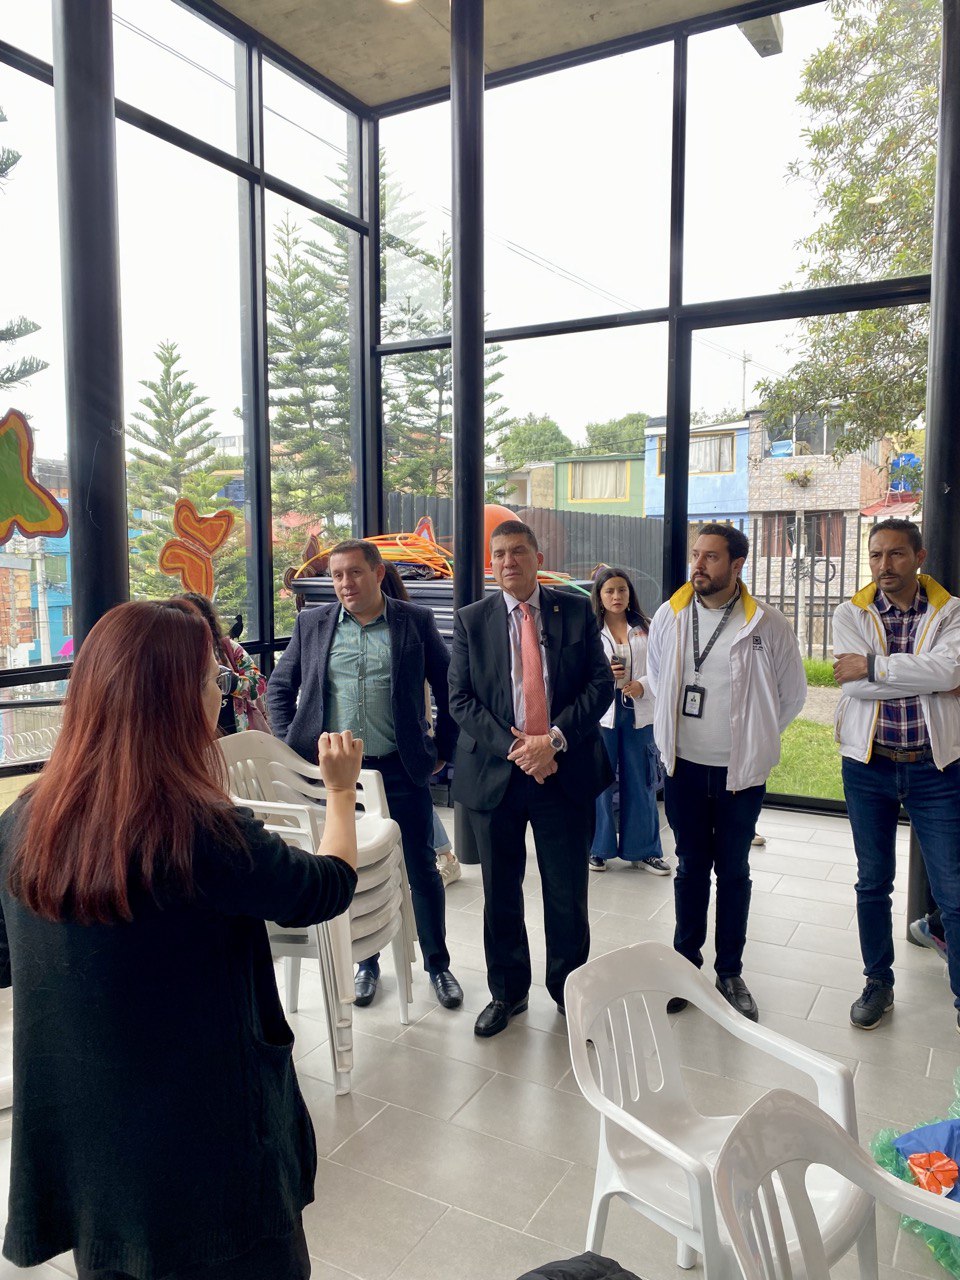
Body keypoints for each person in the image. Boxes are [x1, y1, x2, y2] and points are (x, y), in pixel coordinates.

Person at [0, 599, 361, 1280]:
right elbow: (325, 887)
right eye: (208, 682)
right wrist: (339, 793)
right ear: (171, 700)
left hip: (95, 1167)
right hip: (210, 1166)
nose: (219, 697)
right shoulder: (202, 834)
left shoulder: (25, 823)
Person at [267, 538, 463, 1011]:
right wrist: (293, 747)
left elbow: (450, 685)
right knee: (353, 868)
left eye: (354, 573)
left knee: (421, 867)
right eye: (337, 575)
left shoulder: (413, 622)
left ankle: (438, 964)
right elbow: (279, 686)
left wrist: (441, 751)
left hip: (399, 766)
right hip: (338, 775)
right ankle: (367, 963)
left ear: (377, 574)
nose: (344, 584)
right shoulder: (312, 624)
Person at [448, 519, 613, 1036]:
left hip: (562, 770)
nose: (507, 563)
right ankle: (507, 993)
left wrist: (554, 740)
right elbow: (460, 700)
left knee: (566, 890)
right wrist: (520, 748)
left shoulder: (576, 609)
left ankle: (570, 993)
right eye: (498, 554)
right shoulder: (472, 620)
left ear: (537, 557)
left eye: (518, 552)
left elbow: (599, 683)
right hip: (498, 774)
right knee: (500, 891)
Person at [647, 523, 806, 1022]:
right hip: (684, 768)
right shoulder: (669, 617)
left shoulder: (768, 625)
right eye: (696, 555)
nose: (699, 565)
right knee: (691, 867)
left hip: (741, 773)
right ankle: (684, 966)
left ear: (737, 565)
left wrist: (752, 738)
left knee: (733, 871)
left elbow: (791, 695)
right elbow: (656, 678)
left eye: (711, 557)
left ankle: (730, 971)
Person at [832, 517, 960, 1031]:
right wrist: (927, 676)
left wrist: (878, 667)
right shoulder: (851, 613)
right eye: (876, 555)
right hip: (869, 765)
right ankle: (877, 982)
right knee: (872, 881)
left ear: (919, 557)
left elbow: (951, 671)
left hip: (937, 768)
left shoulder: (950, 613)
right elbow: (852, 687)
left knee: (951, 889)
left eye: (896, 555)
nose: (885, 566)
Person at [380, 564, 461, 888]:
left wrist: (434, 739)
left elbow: (437, 686)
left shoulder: (410, 623)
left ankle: (445, 856)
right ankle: (442, 855)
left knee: (418, 803)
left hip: (410, 734)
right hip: (403, 733)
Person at [588, 566, 669, 875]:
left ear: (630, 593)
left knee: (642, 780)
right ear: (599, 596)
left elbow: (662, 668)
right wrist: (605, 676)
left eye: (622, 590)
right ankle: (598, 848)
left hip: (639, 712)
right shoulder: (590, 631)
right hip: (603, 716)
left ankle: (645, 850)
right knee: (600, 783)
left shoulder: (647, 627)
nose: (616, 596)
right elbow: (581, 673)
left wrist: (643, 686)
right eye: (609, 591)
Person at [183, 591, 269, 735]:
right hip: (198, 738)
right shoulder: (174, 657)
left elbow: (260, 684)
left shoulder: (229, 649)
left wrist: (233, 683)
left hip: (237, 733)